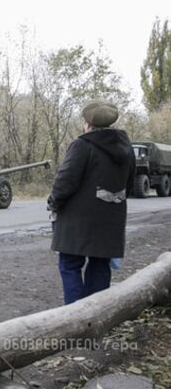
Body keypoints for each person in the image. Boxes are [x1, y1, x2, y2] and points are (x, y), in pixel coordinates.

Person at [48, 100, 135, 305]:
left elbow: (65, 181)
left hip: (78, 220)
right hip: (110, 219)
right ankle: (94, 315)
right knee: (100, 265)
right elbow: (129, 184)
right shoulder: (126, 147)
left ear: (88, 122)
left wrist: (54, 202)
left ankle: (74, 317)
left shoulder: (83, 145)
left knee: (70, 264)